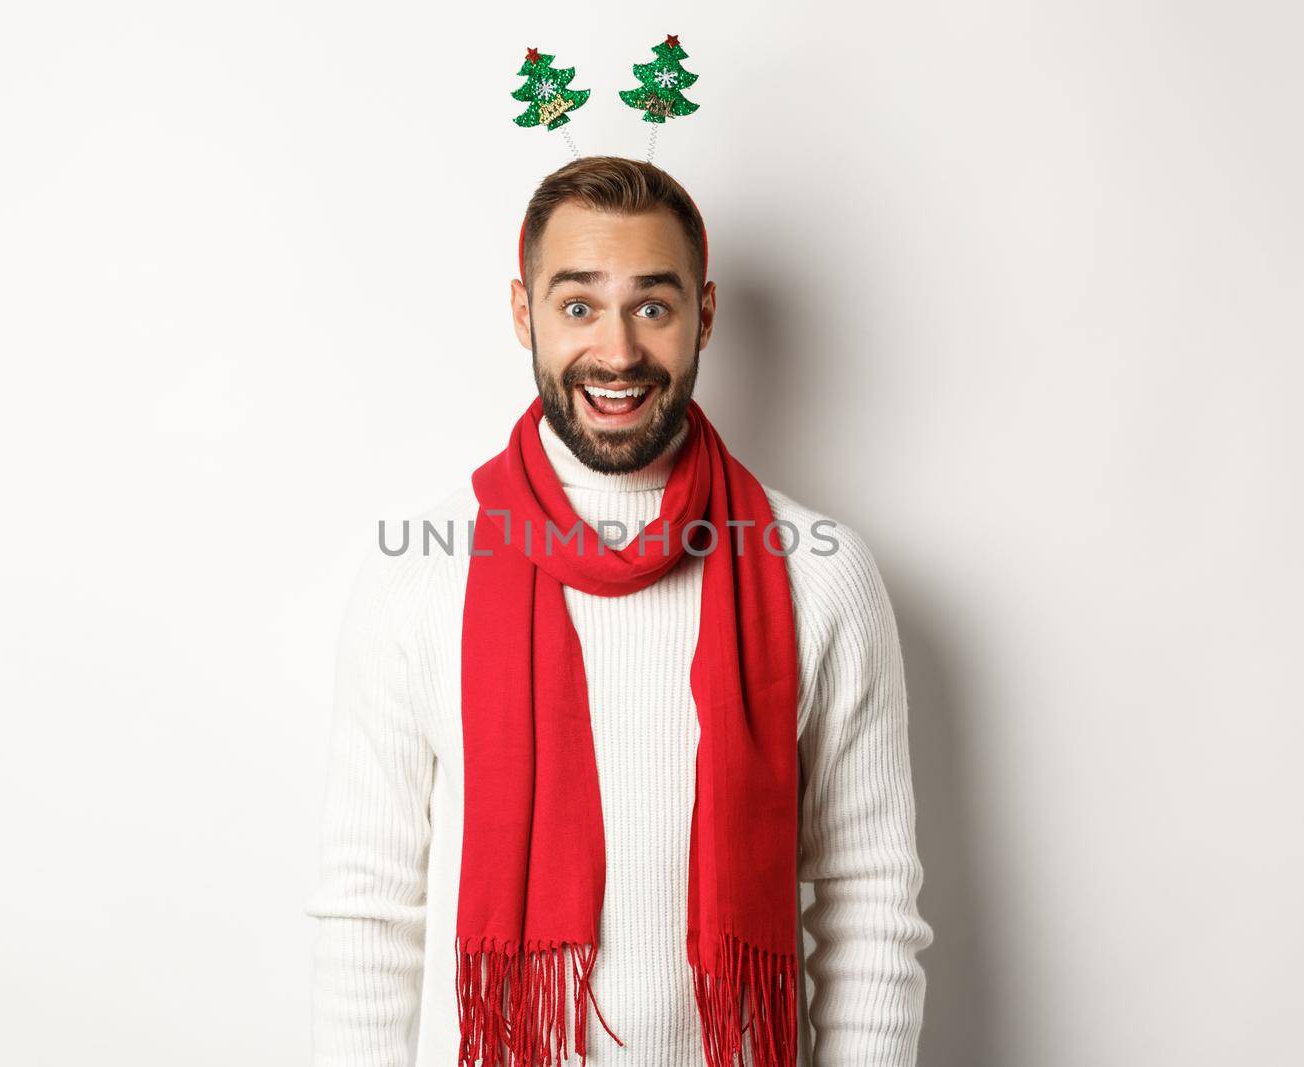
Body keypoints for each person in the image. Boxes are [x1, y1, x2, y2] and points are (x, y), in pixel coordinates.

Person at [304, 155, 935, 1066]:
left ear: (703, 316)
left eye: (652, 305)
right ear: (523, 311)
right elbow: (368, 903)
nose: (618, 352)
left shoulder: (819, 574)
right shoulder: (418, 578)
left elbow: (869, 901)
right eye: (577, 305)